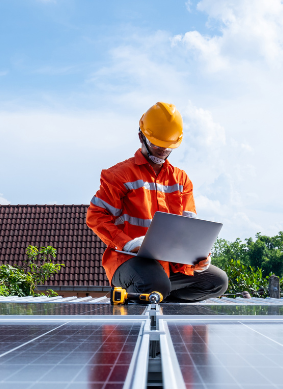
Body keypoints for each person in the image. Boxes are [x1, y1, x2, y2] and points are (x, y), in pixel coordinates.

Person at [86, 102, 228, 303]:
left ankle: (159, 295)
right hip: (129, 261)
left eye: (168, 146)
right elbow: (95, 217)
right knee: (156, 283)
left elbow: (191, 228)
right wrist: (128, 243)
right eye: (157, 144)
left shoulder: (181, 180)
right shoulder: (118, 175)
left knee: (218, 281)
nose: (163, 150)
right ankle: (155, 290)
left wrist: (200, 254)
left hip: (169, 266)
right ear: (141, 137)